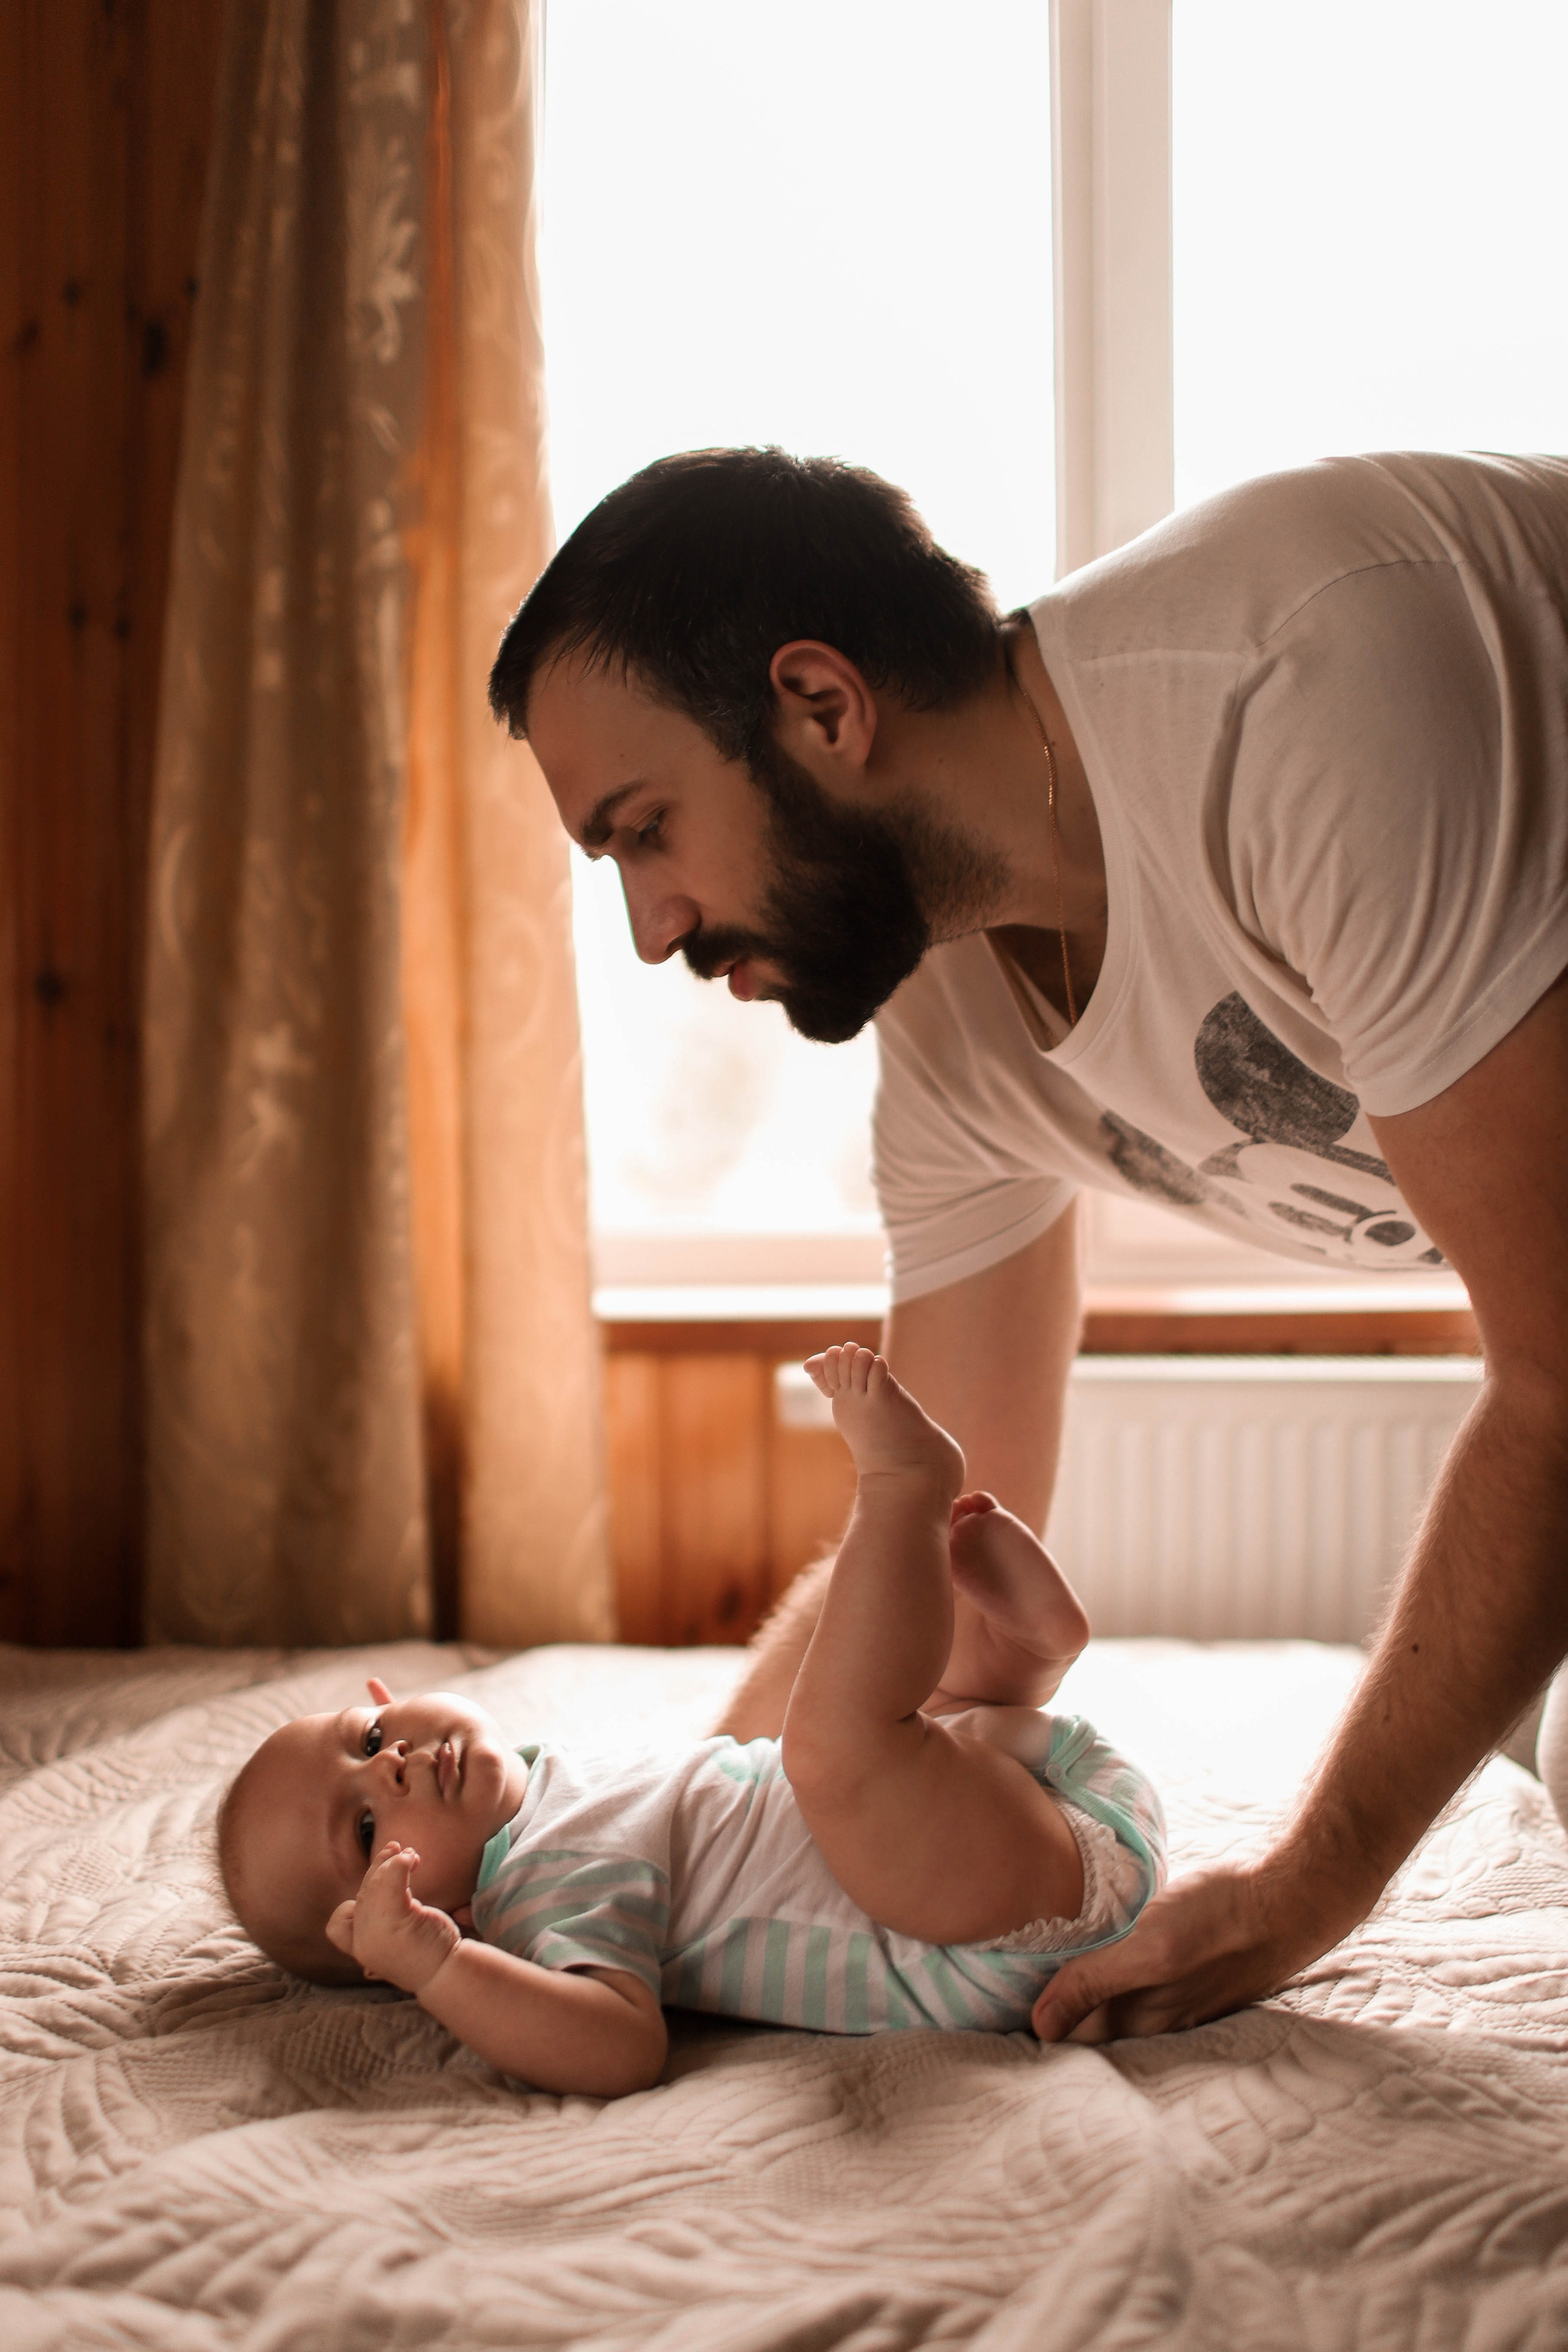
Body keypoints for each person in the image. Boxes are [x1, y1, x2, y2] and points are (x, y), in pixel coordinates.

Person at [489, 443, 1568, 2044]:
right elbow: (944, 1517)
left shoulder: (1300, 686)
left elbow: (1556, 1378)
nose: (651, 930)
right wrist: (666, 1845)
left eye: (646, 832)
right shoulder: (949, 1025)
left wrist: (1306, 1887)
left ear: (822, 706)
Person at [217, 1348, 1166, 2094]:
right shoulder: (531, 1899)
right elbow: (618, 2049)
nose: (390, 1767)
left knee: (888, 1735)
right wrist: (438, 1968)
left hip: (1013, 1810)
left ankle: (1020, 1659)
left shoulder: (553, 1776)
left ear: (384, 1699)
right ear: (386, 1919)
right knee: (834, 1749)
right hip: (979, 1932)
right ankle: (907, 1499)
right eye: (366, 1829)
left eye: (368, 1739)